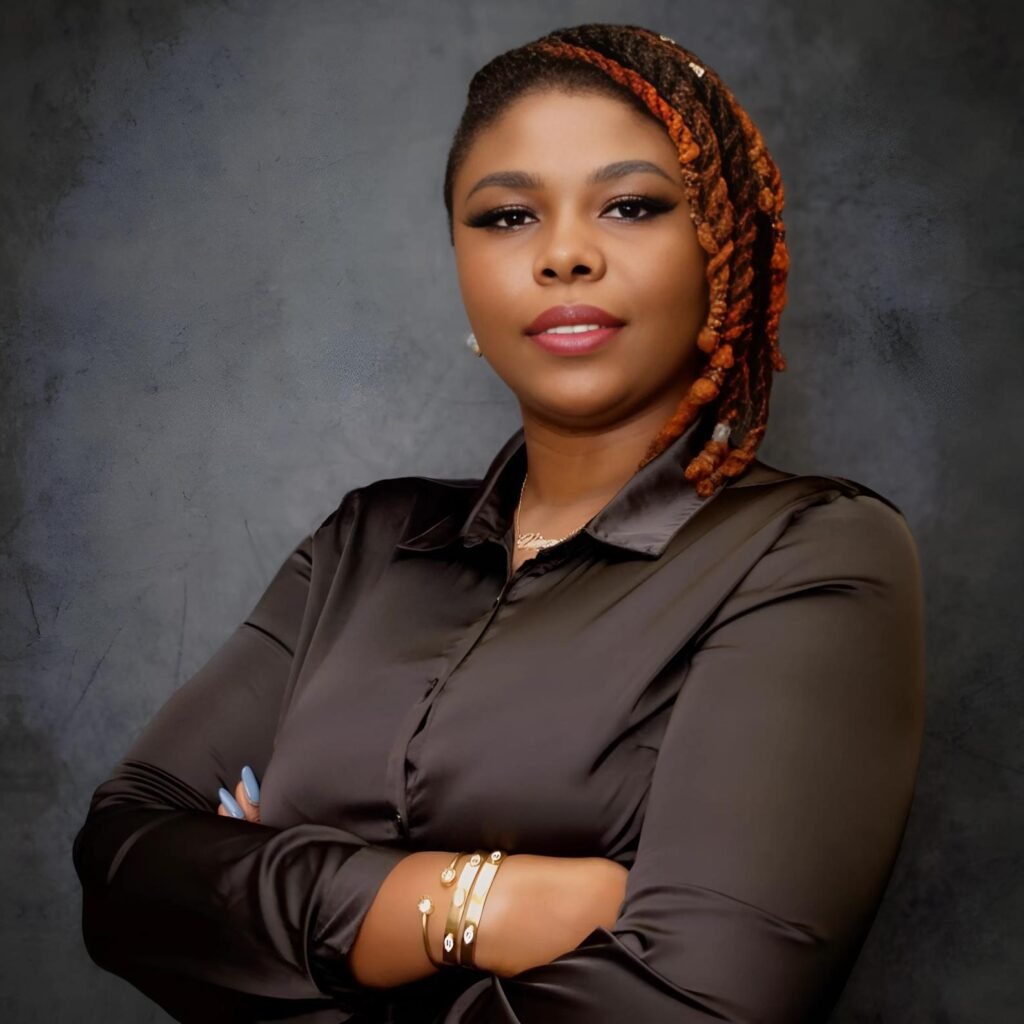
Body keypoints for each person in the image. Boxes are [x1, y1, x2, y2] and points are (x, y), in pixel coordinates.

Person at [71, 22, 926, 1024]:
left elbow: (698, 1002)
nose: (564, 254)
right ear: (462, 269)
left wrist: (270, 910)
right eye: (508, 216)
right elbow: (125, 867)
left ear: (722, 251)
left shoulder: (812, 552)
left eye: (631, 205)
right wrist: (476, 905)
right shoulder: (366, 540)